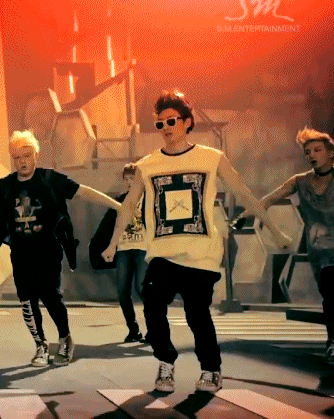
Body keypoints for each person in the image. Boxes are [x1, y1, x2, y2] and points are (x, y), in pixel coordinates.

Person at [102, 90, 292, 393]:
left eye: (171, 121)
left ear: (188, 122)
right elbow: (127, 207)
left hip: (201, 255)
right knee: (152, 305)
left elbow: (244, 194)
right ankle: (165, 361)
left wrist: (274, 230)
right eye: (160, 123)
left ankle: (211, 369)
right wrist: (113, 243)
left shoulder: (211, 158)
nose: (165, 128)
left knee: (197, 314)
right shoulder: (147, 166)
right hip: (163, 253)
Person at [0, 130, 121, 367]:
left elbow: (83, 192)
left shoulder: (50, 179)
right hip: (21, 254)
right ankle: (40, 345)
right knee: (27, 301)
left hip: (48, 251)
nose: (22, 162)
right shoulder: (5, 186)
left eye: (27, 156)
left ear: (36, 155)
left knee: (50, 295)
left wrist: (118, 206)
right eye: (17, 157)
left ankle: (65, 339)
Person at [257, 127, 333, 365]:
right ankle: (333, 342)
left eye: (317, 150)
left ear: (331, 152)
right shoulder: (300, 181)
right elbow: (268, 199)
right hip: (321, 252)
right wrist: (245, 216)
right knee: (330, 296)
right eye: (308, 152)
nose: (312, 155)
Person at [114, 163, 148, 343]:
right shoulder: (120, 200)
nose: (129, 182)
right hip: (124, 249)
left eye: (132, 179)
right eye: (126, 179)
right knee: (122, 291)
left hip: (143, 247)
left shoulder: (149, 199)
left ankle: (154, 328)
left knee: (142, 289)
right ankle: (133, 330)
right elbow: (111, 224)